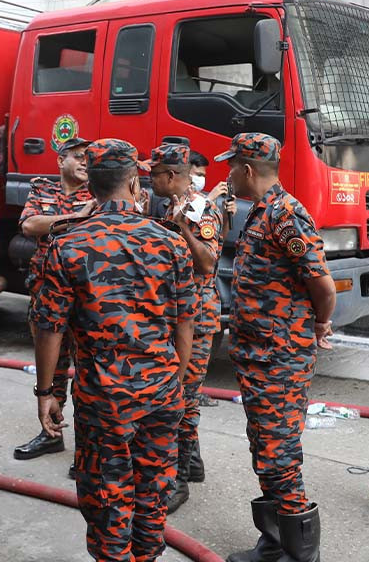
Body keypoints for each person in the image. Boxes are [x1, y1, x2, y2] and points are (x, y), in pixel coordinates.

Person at [32, 138, 196, 562]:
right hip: (162, 392)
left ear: (90, 187)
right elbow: (186, 322)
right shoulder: (170, 242)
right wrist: (174, 382)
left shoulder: (67, 244)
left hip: (103, 400)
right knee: (153, 494)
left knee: (107, 499)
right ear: (135, 182)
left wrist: (46, 392)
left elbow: (49, 328)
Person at [219, 133, 335, 562]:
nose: (228, 175)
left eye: (232, 166)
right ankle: (274, 543)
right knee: (264, 449)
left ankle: (301, 554)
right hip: (257, 355)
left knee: (279, 454)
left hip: (279, 356)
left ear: (248, 170)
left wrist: (319, 323)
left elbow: (322, 284)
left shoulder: (285, 213)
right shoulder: (260, 211)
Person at [146, 143, 222, 513]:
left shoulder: (199, 208)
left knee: (183, 399)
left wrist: (181, 229)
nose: (150, 180)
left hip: (196, 317)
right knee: (180, 394)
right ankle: (192, 463)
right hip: (173, 315)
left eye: (155, 174)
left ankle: (177, 480)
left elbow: (207, 263)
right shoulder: (167, 204)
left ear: (173, 175)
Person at [12, 136, 94, 462]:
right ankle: (51, 434)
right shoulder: (42, 190)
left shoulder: (98, 193)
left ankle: (87, 450)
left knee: (87, 370)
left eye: (88, 156)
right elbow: (29, 225)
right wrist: (75, 218)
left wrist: (55, 224)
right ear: (61, 160)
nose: (85, 161)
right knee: (52, 367)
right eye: (78, 156)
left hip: (85, 295)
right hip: (46, 292)